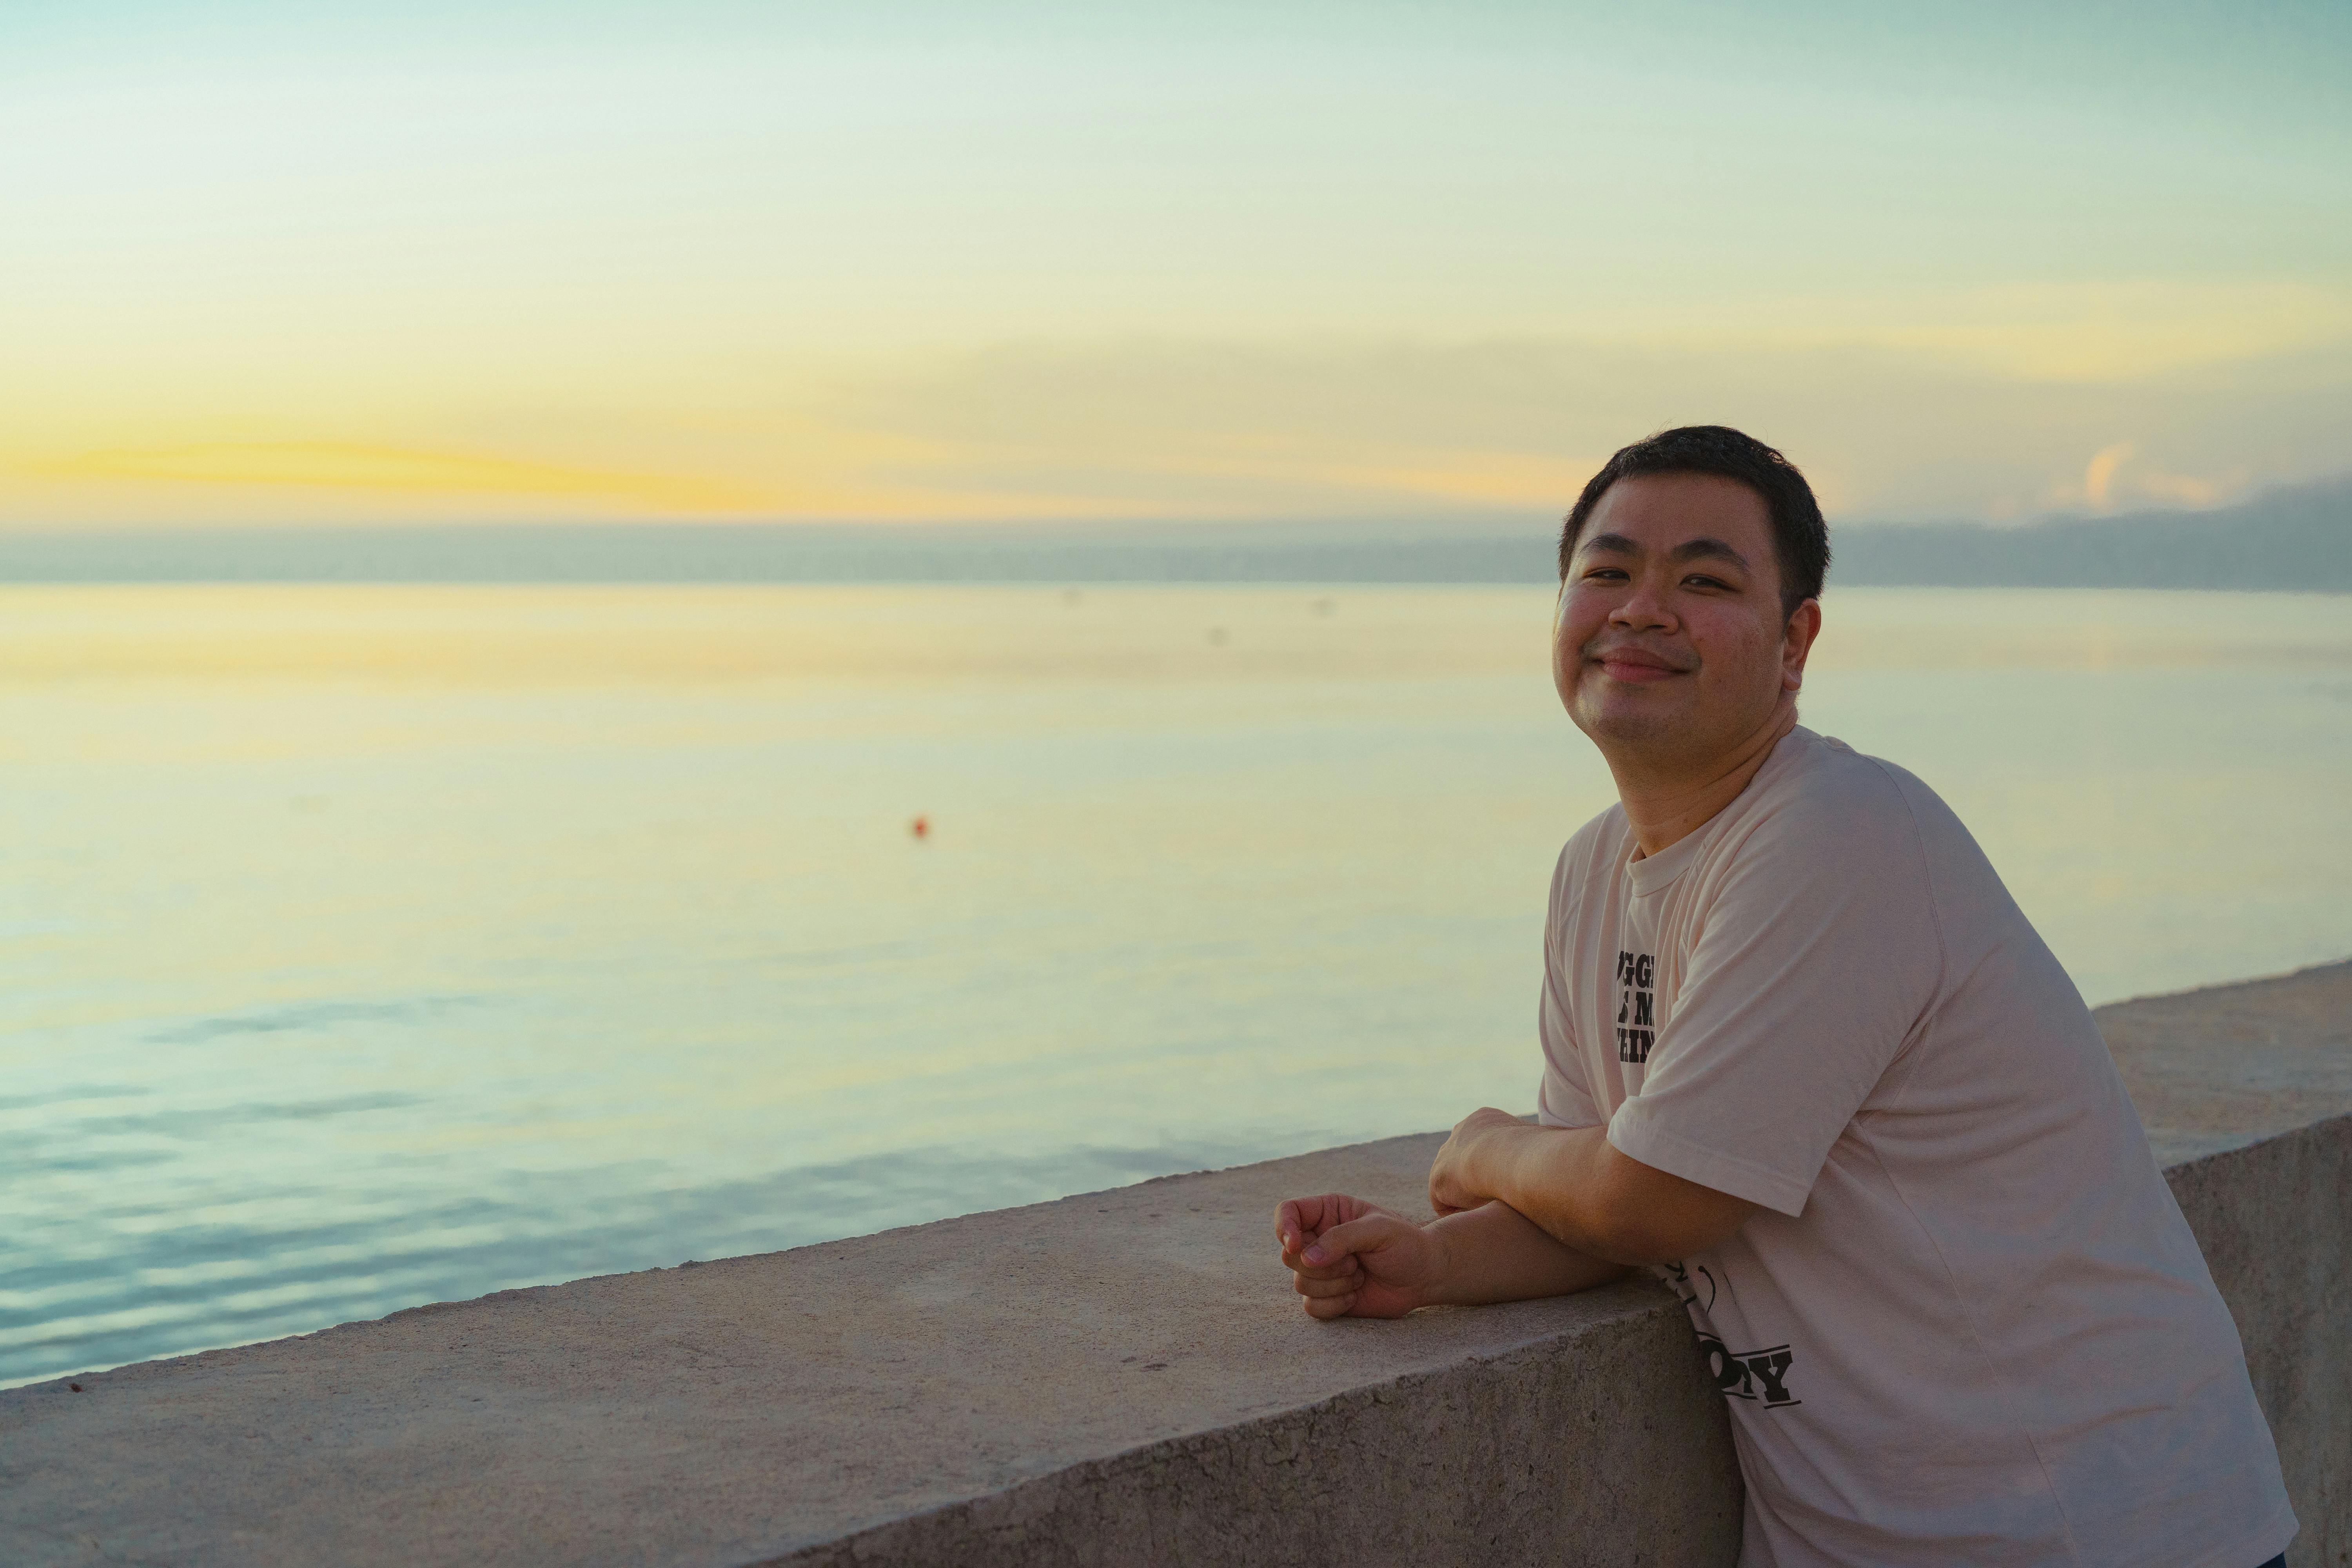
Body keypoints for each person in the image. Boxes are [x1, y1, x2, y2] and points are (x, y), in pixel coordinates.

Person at [1274, 426, 2296, 1568]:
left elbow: (1653, 1198)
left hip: (2090, 1531)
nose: (1642, 609)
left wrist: (1484, 1145)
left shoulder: (1842, 833)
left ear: (1795, 640)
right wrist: (1434, 1263)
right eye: (1606, 572)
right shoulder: (1591, 872)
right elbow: (1600, 1207)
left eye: (1704, 581)